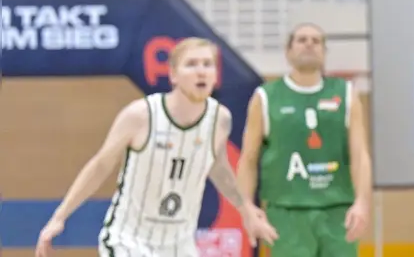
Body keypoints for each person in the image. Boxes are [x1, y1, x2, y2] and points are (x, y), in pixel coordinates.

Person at [35, 38, 278, 257]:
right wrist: (60, 216)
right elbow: (100, 165)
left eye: (207, 64)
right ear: (173, 75)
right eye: (191, 64)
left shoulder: (219, 119)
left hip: (179, 244)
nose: (201, 71)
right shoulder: (141, 115)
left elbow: (217, 167)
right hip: (129, 240)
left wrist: (245, 209)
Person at [239, 23, 372, 257]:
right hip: (286, 213)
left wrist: (362, 201)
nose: (309, 44)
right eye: (301, 39)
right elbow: (248, 159)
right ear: (288, 51)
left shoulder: (345, 93)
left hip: (337, 211)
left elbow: (360, 155)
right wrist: (247, 207)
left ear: (324, 52)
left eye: (316, 40)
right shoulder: (267, 97)